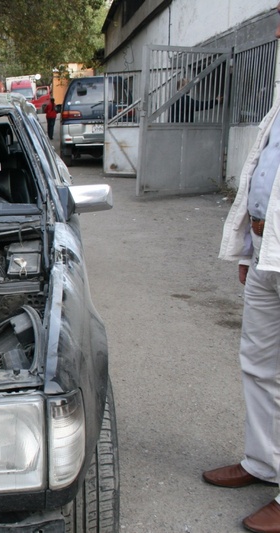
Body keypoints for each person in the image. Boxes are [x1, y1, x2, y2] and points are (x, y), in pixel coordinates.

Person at [205, 5, 280, 532]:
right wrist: (252, 252)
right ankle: (264, 462)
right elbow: (264, 170)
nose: (277, 30)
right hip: (268, 255)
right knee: (258, 364)